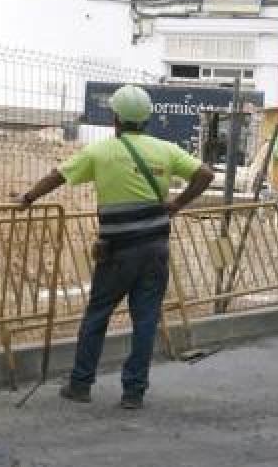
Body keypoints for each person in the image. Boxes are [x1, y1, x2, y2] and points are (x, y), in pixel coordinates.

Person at [18, 85, 214, 410]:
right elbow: (205, 174)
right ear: (147, 119)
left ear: (116, 119)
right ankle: (133, 393)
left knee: (98, 314)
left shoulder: (101, 152)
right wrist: (177, 203)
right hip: (155, 249)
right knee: (146, 319)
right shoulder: (166, 149)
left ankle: (80, 384)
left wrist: (27, 199)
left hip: (118, 251)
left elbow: (58, 176)